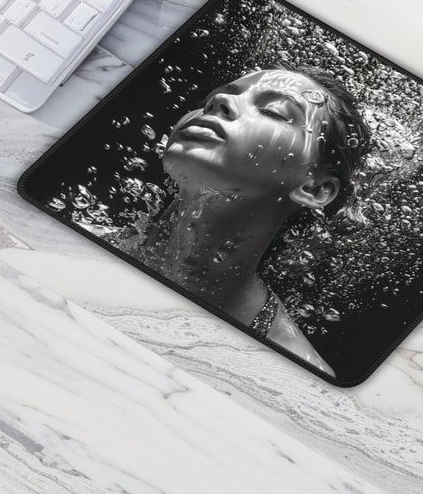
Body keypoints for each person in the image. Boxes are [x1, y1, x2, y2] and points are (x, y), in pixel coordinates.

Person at [111, 67, 366, 378]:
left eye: (274, 111)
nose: (219, 101)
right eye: (215, 96)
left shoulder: (293, 375)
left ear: (314, 188)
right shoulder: (58, 242)